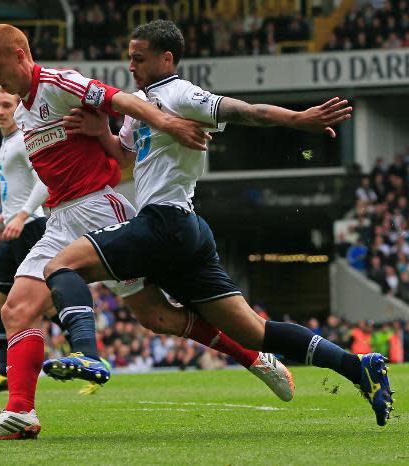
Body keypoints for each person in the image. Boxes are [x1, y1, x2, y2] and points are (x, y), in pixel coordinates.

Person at [43, 20, 393, 427]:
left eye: (139, 58)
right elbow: (125, 158)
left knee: (60, 266)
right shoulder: (138, 105)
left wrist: (298, 120)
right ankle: (358, 367)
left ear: (166, 58)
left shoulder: (180, 94)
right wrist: (101, 130)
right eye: (130, 58)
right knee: (253, 333)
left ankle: (86, 351)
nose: (131, 66)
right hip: (185, 231)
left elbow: (246, 110)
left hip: (164, 221)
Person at [0, 24, 291, 441]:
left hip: (101, 209)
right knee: (16, 310)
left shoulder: (59, 82)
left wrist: (170, 124)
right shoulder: (25, 111)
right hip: (59, 219)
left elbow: (120, 100)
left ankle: (252, 356)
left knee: (158, 316)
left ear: (19, 54)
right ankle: (21, 412)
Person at [0, 87, 49, 396]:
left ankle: (87, 354)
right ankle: (4, 373)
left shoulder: (25, 139)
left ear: (19, 107)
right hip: (14, 227)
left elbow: (45, 180)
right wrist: (10, 215)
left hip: (31, 226)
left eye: (6, 105)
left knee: (44, 303)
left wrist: (21, 214)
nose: (0, 110)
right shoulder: (5, 142)